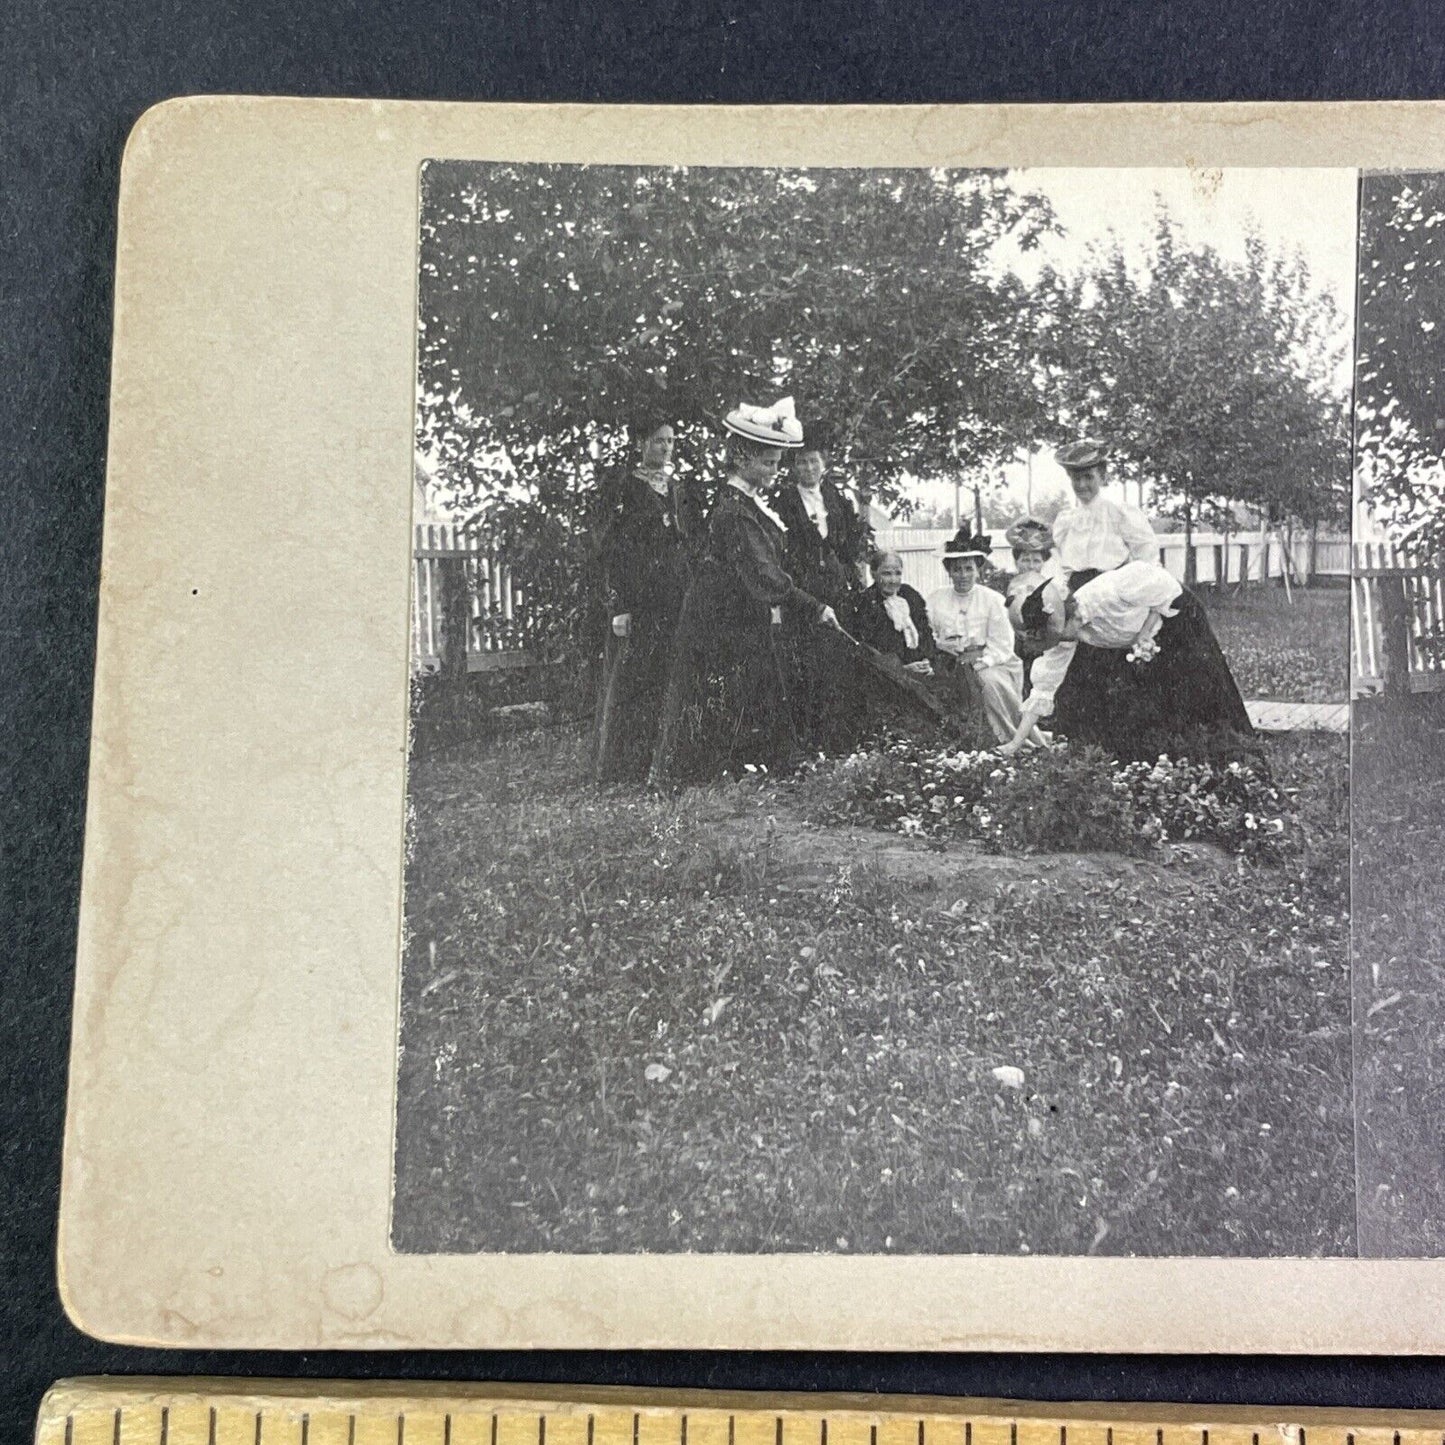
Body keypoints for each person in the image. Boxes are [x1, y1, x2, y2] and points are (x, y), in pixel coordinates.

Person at [649, 398, 841, 786]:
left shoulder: (750, 504)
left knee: (752, 687)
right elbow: (764, 574)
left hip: (737, 615)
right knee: (718, 692)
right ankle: (704, 773)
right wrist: (814, 606)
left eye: (776, 462)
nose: (776, 471)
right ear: (742, 460)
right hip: (717, 620)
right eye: (768, 463)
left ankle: (750, 766)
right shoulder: (734, 512)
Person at [1001, 559, 1255, 758]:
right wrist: (1014, 744)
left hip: (1181, 620)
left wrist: (1144, 636)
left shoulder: (1110, 592)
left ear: (1066, 615)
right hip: (1144, 642)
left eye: (1058, 633)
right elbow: (1044, 688)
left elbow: (1168, 594)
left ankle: (1228, 757)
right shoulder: (1064, 637)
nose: (1061, 640)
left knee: (1201, 692)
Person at [593, 413, 693, 782]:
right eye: (657, 441)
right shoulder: (623, 487)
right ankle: (621, 769)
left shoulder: (677, 487)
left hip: (673, 592)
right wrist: (620, 604)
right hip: (640, 595)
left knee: (668, 674)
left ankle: (662, 763)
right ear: (640, 444)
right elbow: (612, 548)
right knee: (634, 678)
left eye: (670, 441)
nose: (665, 447)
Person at [925, 527, 1025, 745]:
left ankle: (1005, 739)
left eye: (968, 569)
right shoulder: (935, 599)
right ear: (949, 571)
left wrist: (983, 662)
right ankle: (955, 742)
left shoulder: (993, 600)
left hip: (990, 661)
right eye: (957, 569)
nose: (963, 575)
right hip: (947, 659)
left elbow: (1003, 644)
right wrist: (940, 645)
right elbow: (927, 633)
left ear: (978, 570)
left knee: (987, 683)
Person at [773, 444, 870, 613]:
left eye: (813, 461)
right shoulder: (784, 503)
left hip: (838, 592)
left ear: (823, 464)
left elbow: (850, 548)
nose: (809, 468)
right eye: (802, 462)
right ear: (794, 467)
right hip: (803, 593)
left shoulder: (837, 500)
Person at [1051, 438, 1159, 578]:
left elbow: (1147, 556)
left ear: (1102, 477)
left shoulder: (1119, 513)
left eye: (1089, 477)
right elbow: (1060, 566)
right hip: (1076, 593)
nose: (1082, 485)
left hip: (1111, 592)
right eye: (1076, 479)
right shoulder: (1065, 521)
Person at [849, 551, 935, 672]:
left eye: (898, 573)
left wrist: (927, 661)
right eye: (886, 574)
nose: (893, 580)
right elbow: (869, 653)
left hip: (922, 670)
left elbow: (925, 633)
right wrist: (903, 669)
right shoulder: (866, 603)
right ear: (873, 573)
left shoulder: (910, 595)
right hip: (887, 677)